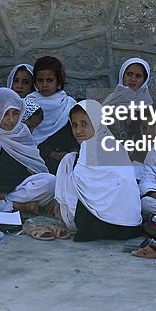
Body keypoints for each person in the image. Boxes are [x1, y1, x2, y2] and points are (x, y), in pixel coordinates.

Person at [54, 100, 142, 242]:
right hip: (127, 224)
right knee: (70, 160)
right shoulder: (115, 147)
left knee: (68, 161)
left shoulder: (91, 149)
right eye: (74, 125)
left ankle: (65, 216)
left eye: (84, 124)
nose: (78, 131)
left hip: (95, 224)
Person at [26, 56, 78, 173]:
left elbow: (74, 133)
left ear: (58, 80)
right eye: (40, 80)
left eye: (49, 80)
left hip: (65, 157)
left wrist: (70, 153)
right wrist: (51, 153)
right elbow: (25, 137)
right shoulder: (28, 103)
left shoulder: (68, 103)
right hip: (35, 157)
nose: (44, 85)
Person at [102, 58, 153, 139]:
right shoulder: (111, 100)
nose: (133, 79)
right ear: (122, 75)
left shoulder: (147, 105)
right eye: (129, 74)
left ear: (144, 80)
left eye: (138, 76)